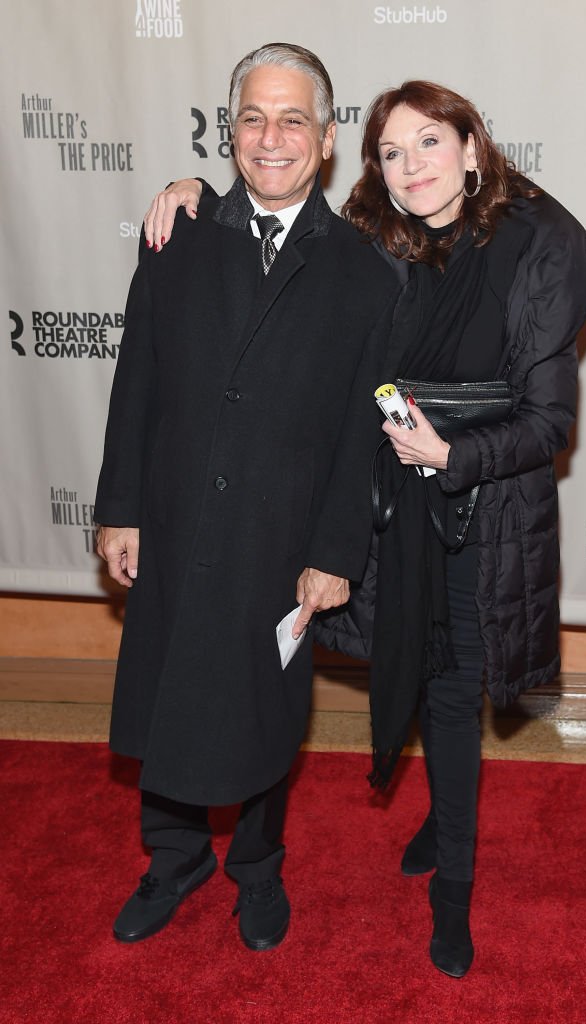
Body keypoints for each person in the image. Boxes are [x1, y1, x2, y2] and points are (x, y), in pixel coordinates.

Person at [145, 82, 586, 978]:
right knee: (413, 677)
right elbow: (279, 226)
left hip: (484, 515)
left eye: (430, 143)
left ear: (473, 148)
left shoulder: (537, 252)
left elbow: (550, 426)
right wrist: (190, 193)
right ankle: (422, 820)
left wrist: (450, 455)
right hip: (387, 515)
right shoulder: (372, 248)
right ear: (376, 172)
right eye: (392, 153)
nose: (412, 166)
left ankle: (452, 898)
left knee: (455, 702)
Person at [94, 43, 399, 952]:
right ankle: (174, 856)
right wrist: (120, 508)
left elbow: (361, 435)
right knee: (166, 694)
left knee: (267, 716)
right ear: (228, 132)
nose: (273, 138)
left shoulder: (362, 273)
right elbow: (135, 383)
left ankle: (257, 867)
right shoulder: (175, 234)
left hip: (283, 541)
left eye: (294, 118)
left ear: (330, 136)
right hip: (179, 521)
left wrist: (337, 553)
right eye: (253, 118)